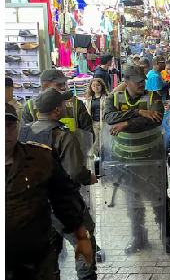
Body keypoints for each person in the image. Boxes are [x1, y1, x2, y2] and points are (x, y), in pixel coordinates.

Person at [6, 103, 93, 280]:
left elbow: (64, 198)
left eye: (10, 126)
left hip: (37, 262)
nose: (6, 132)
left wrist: (81, 236)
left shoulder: (39, 158)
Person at [103, 65, 170, 254]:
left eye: (143, 80)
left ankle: (167, 235)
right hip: (125, 162)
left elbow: (155, 119)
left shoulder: (153, 97)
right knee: (133, 202)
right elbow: (109, 118)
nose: (141, 83)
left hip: (152, 160)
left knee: (159, 200)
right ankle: (139, 237)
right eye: (137, 81)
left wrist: (126, 123)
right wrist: (137, 112)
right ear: (126, 81)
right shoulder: (113, 98)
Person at [22, 70, 94, 136]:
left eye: (64, 84)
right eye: (59, 85)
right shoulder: (30, 107)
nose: (63, 87)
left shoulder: (76, 104)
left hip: (71, 148)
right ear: (46, 86)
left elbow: (89, 134)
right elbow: (24, 135)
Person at [85, 78, 109, 157]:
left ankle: (103, 157)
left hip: (105, 123)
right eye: (94, 85)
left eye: (98, 85)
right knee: (96, 141)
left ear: (102, 86)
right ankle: (93, 158)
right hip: (94, 123)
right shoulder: (89, 99)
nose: (96, 87)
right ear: (91, 87)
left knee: (105, 142)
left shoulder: (107, 98)